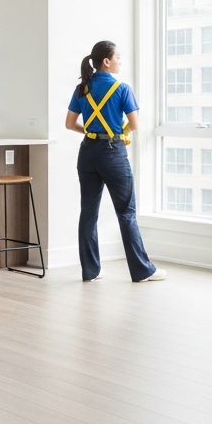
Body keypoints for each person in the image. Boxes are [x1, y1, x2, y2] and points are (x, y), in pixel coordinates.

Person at [64, 41, 165, 283]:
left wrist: (91, 133)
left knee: (88, 213)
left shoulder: (83, 88)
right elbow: (135, 124)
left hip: (87, 152)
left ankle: (91, 271)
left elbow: (69, 124)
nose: (120, 60)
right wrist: (120, 132)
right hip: (112, 153)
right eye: (117, 57)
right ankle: (142, 270)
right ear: (106, 61)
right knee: (126, 212)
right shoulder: (122, 88)